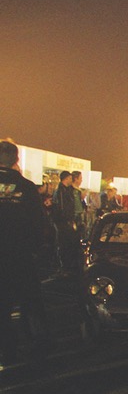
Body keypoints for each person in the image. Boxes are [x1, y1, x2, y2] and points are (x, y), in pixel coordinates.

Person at [0, 139, 49, 366]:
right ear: (16, 160)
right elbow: (40, 226)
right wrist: (36, 252)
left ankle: (7, 350)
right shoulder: (28, 188)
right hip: (22, 258)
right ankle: (37, 350)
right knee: (32, 305)